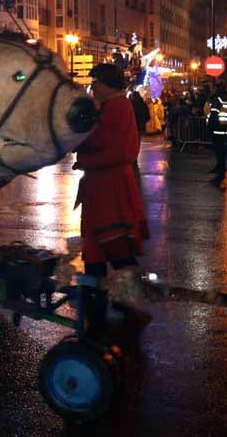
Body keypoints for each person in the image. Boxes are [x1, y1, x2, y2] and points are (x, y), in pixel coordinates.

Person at [73, 63, 150, 330]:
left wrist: (81, 154)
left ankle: (128, 303)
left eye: (95, 83)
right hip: (104, 184)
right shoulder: (117, 106)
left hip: (109, 186)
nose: (93, 88)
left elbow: (97, 141)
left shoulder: (115, 107)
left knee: (116, 245)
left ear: (105, 85)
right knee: (98, 245)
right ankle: (100, 301)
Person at [208, 82, 227, 185]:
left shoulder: (217, 100)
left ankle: (220, 176)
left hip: (217, 129)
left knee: (219, 151)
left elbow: (213, 115)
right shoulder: (225, 100)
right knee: (221, 151)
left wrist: (209, 127)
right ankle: (220, 170)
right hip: (223, 128)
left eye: (213, 88)